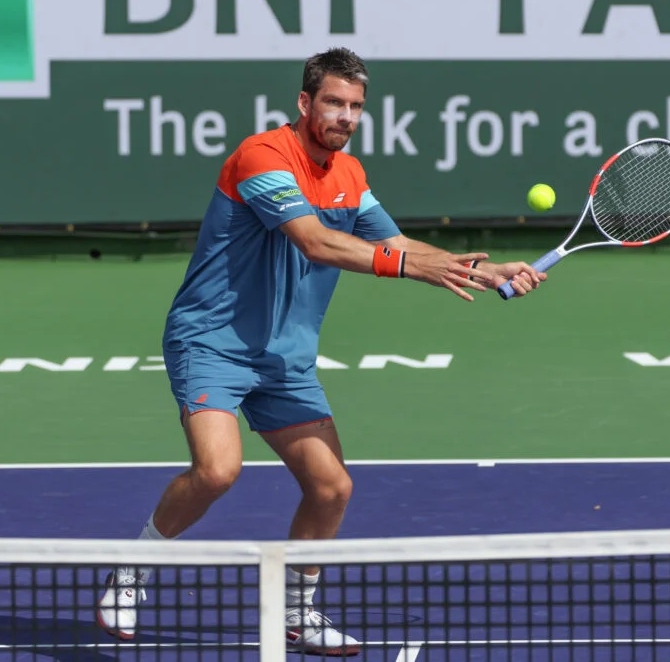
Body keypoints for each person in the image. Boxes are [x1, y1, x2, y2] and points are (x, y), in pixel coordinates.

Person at [96, 47, 545, 655]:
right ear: (305, 103)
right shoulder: (262, 157)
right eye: (334, 102)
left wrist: (486, 270)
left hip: (284, 355)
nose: (346, 116)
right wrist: (417, 268)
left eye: (356, 106)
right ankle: (133, 569)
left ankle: (297, 615)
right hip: (213, 340)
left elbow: (394, 242)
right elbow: (315, 243)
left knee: (331, 487)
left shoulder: (350, 176)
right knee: (217, 470)